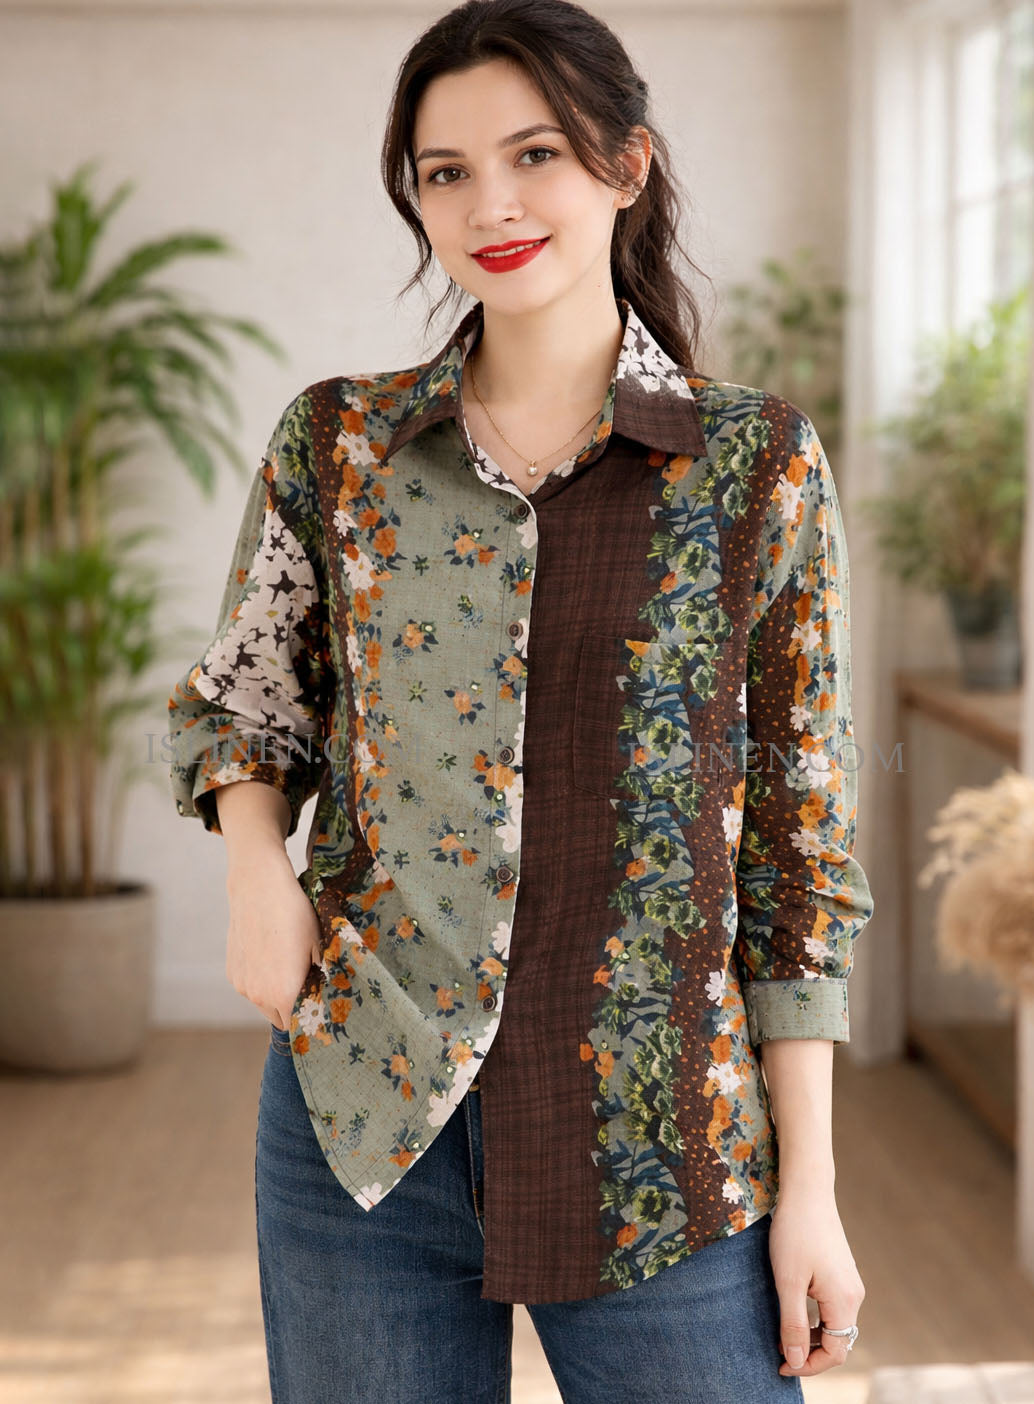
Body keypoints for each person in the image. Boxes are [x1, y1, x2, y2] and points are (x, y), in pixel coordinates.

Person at [166, 1, 874, 1399]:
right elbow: (243, 704)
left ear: (627, 166)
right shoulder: (341, 442)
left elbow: (800, 852)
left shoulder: (751, 469)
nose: (489, 202)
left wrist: (814, 1190)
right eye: (444, 172)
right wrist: (258, 870)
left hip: (657, 1149)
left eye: (534, 153)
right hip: (362, 1123)